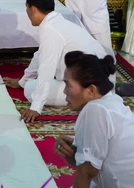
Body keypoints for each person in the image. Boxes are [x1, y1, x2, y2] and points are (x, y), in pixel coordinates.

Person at [6, 0, 108, 122]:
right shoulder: (58, 22)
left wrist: (36, 107)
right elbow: (39, 56)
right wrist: (21, 81)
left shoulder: (49, 29)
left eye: (27, 8)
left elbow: (46, 69)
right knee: (29, 84)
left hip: (89, 86)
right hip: (102, 77)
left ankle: (93, 97)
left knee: (30, 88)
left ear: (33, 9)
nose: (27, 12)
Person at [55, 51, 134, 188]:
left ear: (91, 90)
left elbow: (87, 172)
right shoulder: (113, 101)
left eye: (68, 85)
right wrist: (74, 154)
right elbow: (98, 162)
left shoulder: (95, 109)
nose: (64, 92)